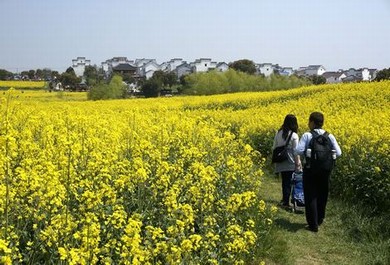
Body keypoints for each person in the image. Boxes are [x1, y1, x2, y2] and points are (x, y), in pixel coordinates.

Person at [295, 112, 341, 232]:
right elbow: (339, 152)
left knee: (311, 195)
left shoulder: (307, 135)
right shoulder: (329, 136)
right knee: (322, 194)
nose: (308, 124)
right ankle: (320, 218)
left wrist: (307, 154)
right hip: (325, 170)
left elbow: (298, 151)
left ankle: (313, 224)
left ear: (312, 122)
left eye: (309, 121)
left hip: (310, 169)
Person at [272, 114, 302, 208]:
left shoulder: (278, 133)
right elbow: (296, 151)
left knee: (285, 181)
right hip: (290, 161)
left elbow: (274, 147)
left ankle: (285, 199)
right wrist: (298, 163)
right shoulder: (294, 135)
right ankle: (288, 202)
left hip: (280, 160)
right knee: (290, 182)